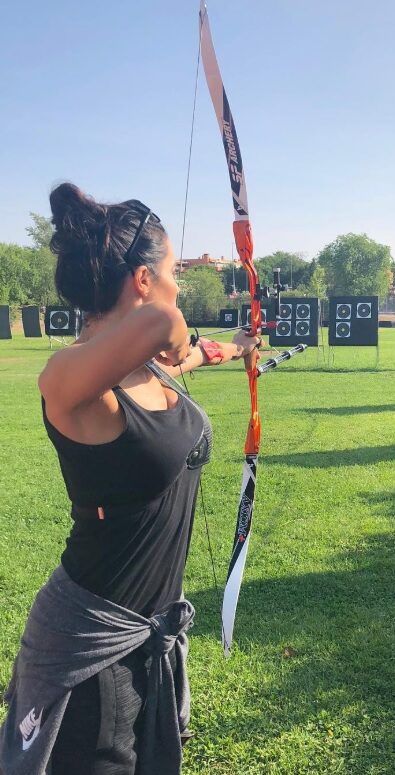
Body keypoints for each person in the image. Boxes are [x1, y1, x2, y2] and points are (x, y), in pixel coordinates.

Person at [0, 182, 261, 775]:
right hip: (91, 648)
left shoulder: (149, 368)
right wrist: (171, 327)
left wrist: (235, 346)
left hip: (148, 635)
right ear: (143, 281)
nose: (178, 287)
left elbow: (188, 352)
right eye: (171, 274)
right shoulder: (70, 379)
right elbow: (165, 328)